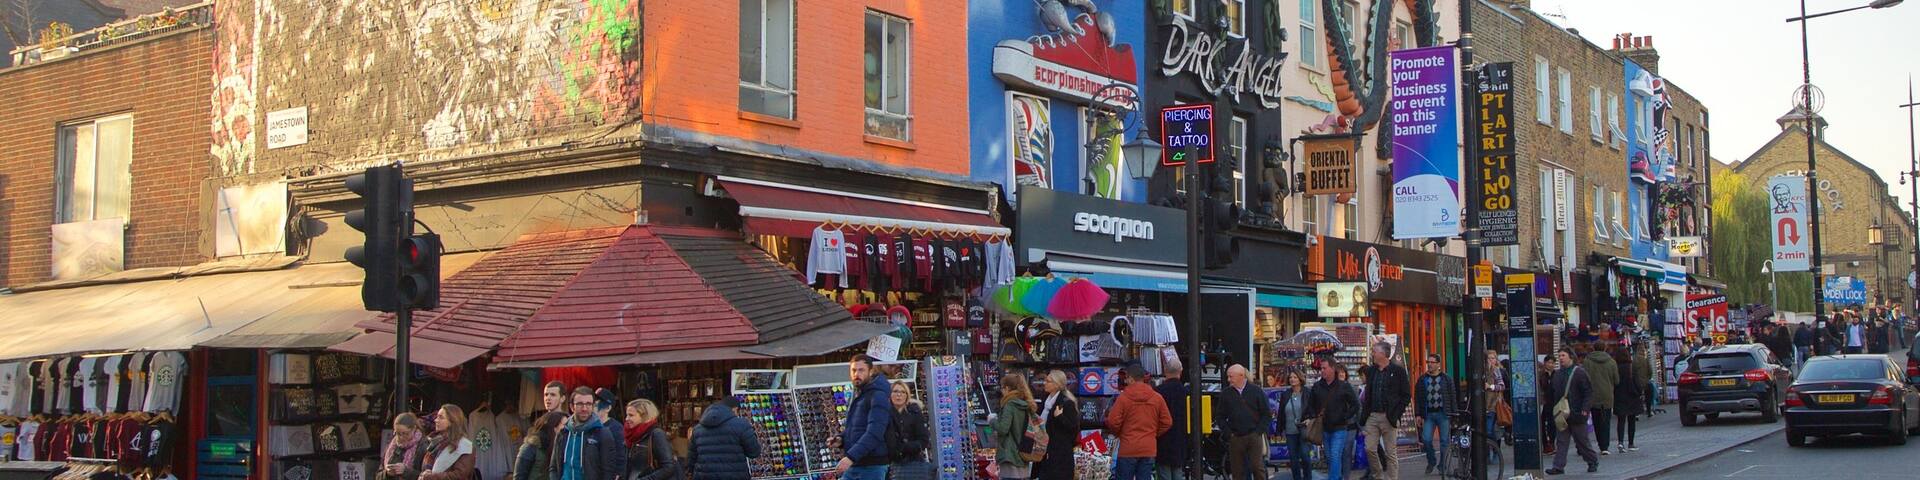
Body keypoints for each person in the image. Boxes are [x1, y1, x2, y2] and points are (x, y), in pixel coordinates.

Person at [834, 355, 894, 480]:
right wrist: (841, 439)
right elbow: (857, 428)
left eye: (861, 370)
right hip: (857, 463)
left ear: (870, 372)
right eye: (854, 370)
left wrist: (851, 457)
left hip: (872, 465)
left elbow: (875, 432)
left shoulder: (877, 395)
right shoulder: (861, 394)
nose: (856, 374)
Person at [1108, 365, 1172, 480]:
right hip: (1148, 448)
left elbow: (1112, 421)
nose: (1125, 381)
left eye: (1126, 378)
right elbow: (1167, 422)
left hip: (1128, 447)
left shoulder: (1123, 398)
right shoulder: (1157, 397)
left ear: (1131, 378)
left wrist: (1120, 434)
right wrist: (1153, 433)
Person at [1359, 342, 1410, 480]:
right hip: (1372, 415)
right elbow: (1368, 393)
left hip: (1389, 416)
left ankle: (1392, 478)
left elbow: (1406, 395)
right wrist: (1365, 414)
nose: (1372, 354)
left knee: (1390, 452)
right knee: (1369, 448)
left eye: (1374, 351)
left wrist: (1397, 413)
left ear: (1383, 354)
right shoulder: (1371, 371)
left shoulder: (1398, 371)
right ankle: (1378, 475)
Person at [552, 387, 626, 480]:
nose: (584, 408)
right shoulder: (563, 433)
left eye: (588, 404)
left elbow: (608, 471)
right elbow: (553, 467)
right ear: (571, 407)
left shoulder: (603, 433)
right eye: (580, 404)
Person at [1546, 350, 1598, 475]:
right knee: (1561, 441)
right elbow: (1553, 393)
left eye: (1563, 355)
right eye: (1559, 356)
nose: (1561, 358)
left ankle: (1592, 461)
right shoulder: (1558, 374)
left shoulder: (1579, 372)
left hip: (1577, 412)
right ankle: (1558, 466)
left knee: (1582, 441)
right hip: (1562, 413)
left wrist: (1585, 409)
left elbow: (1588, 392)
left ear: (1571, 357)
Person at [1212, 364, 1268, 480]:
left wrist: (1258, 431)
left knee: (1257, 467)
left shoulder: (1256, 391)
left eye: (1231, 376)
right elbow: (1220, 416)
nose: (1228, 379)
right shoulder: (1226, 393)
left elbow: (1266, 413)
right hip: (1236, 437)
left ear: (1241, 376)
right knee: (1237, 470)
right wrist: (1229, 433)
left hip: (1253, 435)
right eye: (1228, 376)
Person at [1308, 359, 1359, 480]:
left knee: (1335, 455)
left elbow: (1355, 405)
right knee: (1330, 456)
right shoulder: (1317, 386)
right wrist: (1314, 417)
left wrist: (1345, 416)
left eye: (1324, 368)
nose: (1322, 371)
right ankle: (1337, 477)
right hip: (1325, 428)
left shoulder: (1343, 386)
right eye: (1321, 368)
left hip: (1340, 428)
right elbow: (1311, 405)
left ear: (1332, 369)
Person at [688, 397, 759, 480]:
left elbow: (691, 459)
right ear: (735, 409)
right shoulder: (742, 425)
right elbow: (754, 452)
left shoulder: (698, 429)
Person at [988, 373, 1038, 480]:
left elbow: (1003, 429)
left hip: (1010, 455)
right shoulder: (1025, 404)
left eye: (1002, 388)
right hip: (1024, 453)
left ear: (1007, 388)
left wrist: (992, 420)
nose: (1001, 391)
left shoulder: (1010, 405)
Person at [1033, 370, 1079, 480]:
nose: (1045, 383)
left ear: (1057, 384)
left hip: (1059, 455)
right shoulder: (1045, 401)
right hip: (1043, 451)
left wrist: (1060, 417)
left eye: (1048, 381)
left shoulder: (1066, 402)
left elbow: (1073, 428)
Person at [1413, 354, 1454, 476]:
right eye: (1428, 362)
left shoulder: (1446, 379)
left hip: (1443, 413)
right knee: (1426, 439)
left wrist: (1454, 413)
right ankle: (1431, 461)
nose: (1429, 364)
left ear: (1438, 364)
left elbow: (1452, 396)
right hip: (1429, 414)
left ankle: (1442, 465)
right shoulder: (1422, 379)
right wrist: (1418, 414)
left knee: (1444, 441)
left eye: (1432, 362)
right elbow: (1418, 397)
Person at [1152, 358, 1191, 480]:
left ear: (1165, 371)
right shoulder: (1186, 392)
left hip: (1162, 439)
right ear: (1181, 371)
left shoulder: (1158, 392)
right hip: (1181, 439)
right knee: (1178, 472)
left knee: (1164, 473)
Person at [625, 399, 681, 480]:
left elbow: (668, 467)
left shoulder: (656, 434)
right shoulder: (631, 436)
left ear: (644, 416)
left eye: (631, 415)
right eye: (627, 415)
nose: (626, 419)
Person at [887, 381, 932, 480]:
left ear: (907, 395)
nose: (899, 395)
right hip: (889, 462)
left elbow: (924, 439)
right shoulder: (884, 413)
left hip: (912, 461)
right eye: (895, 391)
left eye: (903, 392)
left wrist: (904, 448)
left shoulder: (914, 413)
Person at [1579, 344, 1618, 456]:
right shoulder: (1611, 362)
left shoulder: (1587, 361)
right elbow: (1616, 380)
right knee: (1606, 421)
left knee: (1596, 421)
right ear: (1604, 348)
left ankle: (1600, 443)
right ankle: (1605, 446)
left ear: (1594, 348)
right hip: (1607, 395)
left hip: (1592, 395)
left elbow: (1583, 378)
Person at [421, 404, 478, 480]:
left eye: (441, 417)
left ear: (452, 421)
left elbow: (459, 476)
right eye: (437, 417)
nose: (435, 420)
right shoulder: (435, 441)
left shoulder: (465, 446)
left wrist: (431, 477)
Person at [1277, 371, 1310, 480]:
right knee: (1293, 458)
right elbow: (1281, 413)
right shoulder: (1285, 394)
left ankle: (1307, 477)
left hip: (1304, 430)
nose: (1292, 379)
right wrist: (1279, 430)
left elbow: (1313, 409)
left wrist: (1310, 419)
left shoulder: (1307, 393)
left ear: (1300, 379)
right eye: (1290, 377)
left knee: (1305, 456)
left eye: (1295, 377)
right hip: (1290, 431)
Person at [515, 412, 565, 480]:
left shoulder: (561, 447)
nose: (567, 428)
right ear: (554, 427)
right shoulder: (530, 447)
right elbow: (519, 477)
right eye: (565, 425)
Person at [377, 413, 427, 480]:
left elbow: (427, 476)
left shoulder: (423, 446)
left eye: (405, 433)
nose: (401, 437)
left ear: (414, 429)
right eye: (398, 433)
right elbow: (378, 475)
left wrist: (406, 471)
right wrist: (387, 474)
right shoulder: (392, 447)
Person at [1612, 348, 1643, 454]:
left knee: (1621, 420)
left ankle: (1620, 442)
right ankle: (1631, 443)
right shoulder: (1631, 367)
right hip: (1631, 396)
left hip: (1619, 396)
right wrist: (1640, 392)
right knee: (1631, 420)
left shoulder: (1615, 367)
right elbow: (1637, 382)